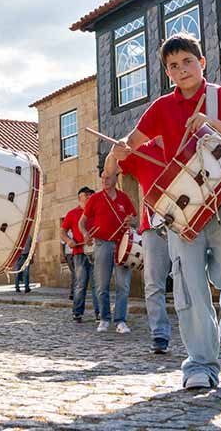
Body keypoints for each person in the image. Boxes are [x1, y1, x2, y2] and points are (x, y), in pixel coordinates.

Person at [110, 33, 221, 390]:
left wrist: (211, 123)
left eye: (187, 62)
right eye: (173, 66)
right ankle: (201, 365)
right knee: (190, 288)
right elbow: (133, 141)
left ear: (201, 62)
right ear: (168, 72)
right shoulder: (161, 107)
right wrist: (119, 150)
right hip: (181, 213)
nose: (181, 70)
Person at [104, 139, 173, 354]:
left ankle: (200, 334)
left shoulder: (182, 143)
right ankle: (159, 333)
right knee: (153, 283)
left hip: (186, 222)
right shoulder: (143, 151)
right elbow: (110, 170)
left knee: (189, 281)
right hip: (153, 226)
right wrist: (115, 151)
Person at [80, 170, 136, 335]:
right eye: (102, 177)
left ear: (115, 179)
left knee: (123, 285)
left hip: (122, 244)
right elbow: (82, 222)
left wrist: (130, 220)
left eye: (107, 177)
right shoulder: (95, 199)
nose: (103, 180)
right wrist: (85, 234)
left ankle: (120, 320)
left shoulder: (123, 198)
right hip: (102, 243)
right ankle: (104, 318)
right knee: (102, 285)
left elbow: (134, 218)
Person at [61, 187, 99, 323]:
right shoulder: (72, 214)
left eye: (91, 195)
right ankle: (77, 313)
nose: (89, 197)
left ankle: (99, 313)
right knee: (80, 284)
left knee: (97, 284)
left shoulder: (97, 212)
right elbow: (62, 232)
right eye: (86, 195)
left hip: (96, 253)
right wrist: (68, 240)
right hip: (79, 253)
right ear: (79, 197)